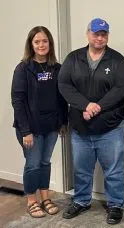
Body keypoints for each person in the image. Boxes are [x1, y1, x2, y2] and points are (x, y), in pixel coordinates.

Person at [58, 18, 124, 224]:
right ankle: (81, 201)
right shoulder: (73, 58)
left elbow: (121, 87)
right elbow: (64, 85)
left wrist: (97, 106)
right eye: (96, 33)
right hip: (81, 129)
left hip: (110, 129)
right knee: (81, 169)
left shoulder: (117, 60)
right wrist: (85, 105)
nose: (100, 38)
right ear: (88, 34)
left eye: (104, 34)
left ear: (107, 36)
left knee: (114, 171)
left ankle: (116, 204)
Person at [11, 26, 68, 218]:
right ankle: (32, 201)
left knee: (45, 162)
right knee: (33, 164)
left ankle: (45, 198)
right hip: (30, 128)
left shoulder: (56, 68)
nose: (41, 45)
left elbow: (62, 98)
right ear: (31, 44)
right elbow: (17, 101)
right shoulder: (23, 68)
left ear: (50, 43)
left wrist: (63, 122)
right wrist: (25, 130)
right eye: (37, 42)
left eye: (45, 41)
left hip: (51, 126)